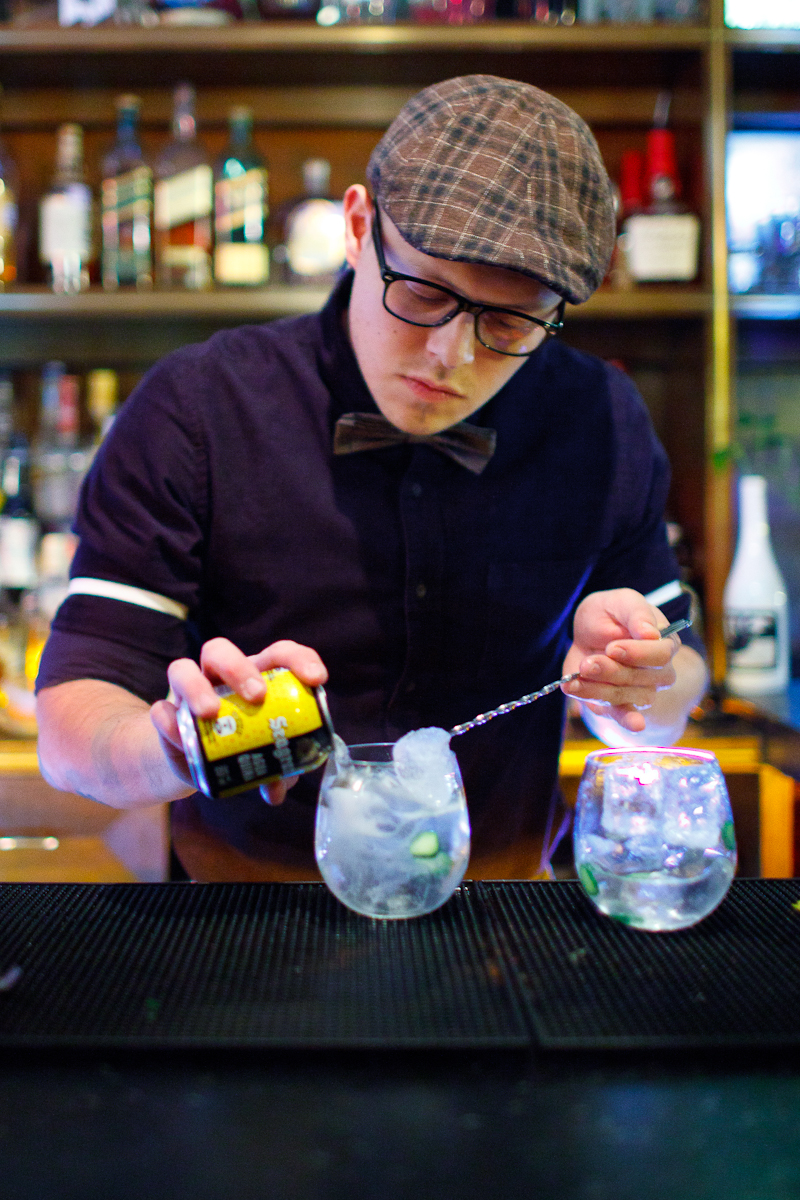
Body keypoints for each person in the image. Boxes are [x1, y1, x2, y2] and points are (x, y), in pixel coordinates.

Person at [35, 75, 708, 882]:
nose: (450, 356)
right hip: (238, 919)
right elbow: (72, 727)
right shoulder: (199, 409)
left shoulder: (600, 416)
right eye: (423, 293)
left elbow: (678, 684)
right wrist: (180, 747)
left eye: (509, 321)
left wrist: (633, 687)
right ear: (358, 228)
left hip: (505, 916)